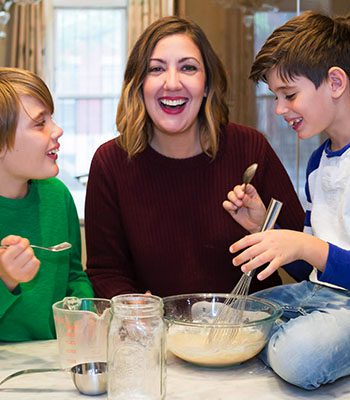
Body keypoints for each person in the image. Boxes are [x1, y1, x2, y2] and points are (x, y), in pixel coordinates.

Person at [85, 15, 306, 299]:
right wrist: (133, 307)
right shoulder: (109, 163)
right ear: (138, 84)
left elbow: (306, 265)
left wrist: (270, 228)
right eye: (156, 69)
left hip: (252, 333)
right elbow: (105, 271)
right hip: (158, 336)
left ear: (207, 84)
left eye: (188, 68)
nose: (172, 83)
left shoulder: (251, 148)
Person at [227, 11, 350, 390]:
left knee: (297, 356)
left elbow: (315, 251)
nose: (279, 109)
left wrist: (305, 244)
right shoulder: (318, 162)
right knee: (223, 316)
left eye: (289, 94)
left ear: (334, 82)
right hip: (320, 298)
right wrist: (267, 227)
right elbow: (310, 271)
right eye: (275, 96)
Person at [0, 67, 94, 342]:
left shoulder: (57, 195)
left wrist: (87, 311)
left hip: (52, 361)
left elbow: (74, 276)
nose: (58, 130)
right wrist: (5, 279)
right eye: (40, 123)